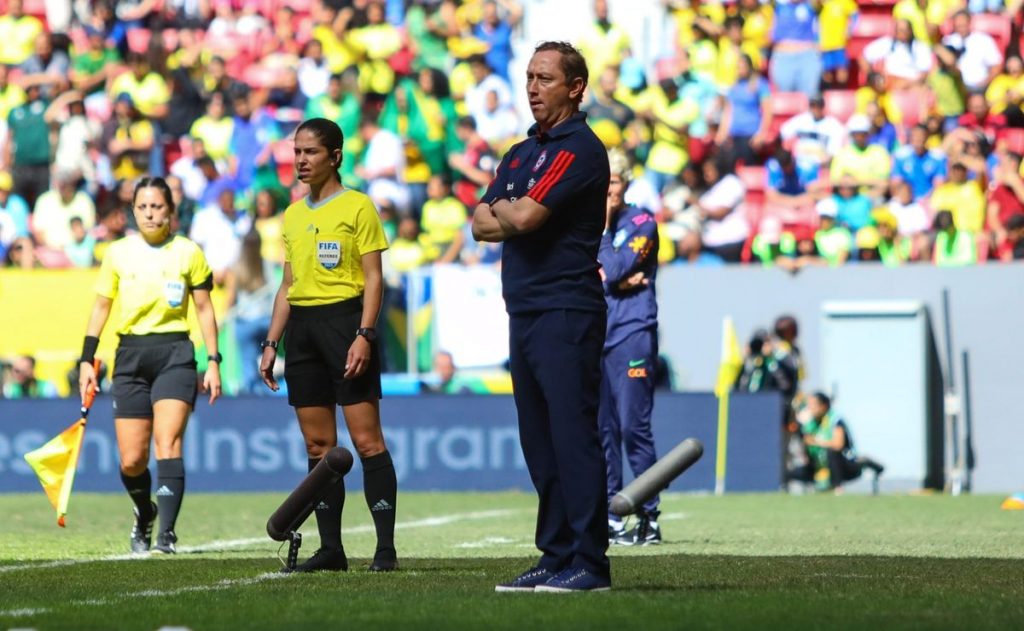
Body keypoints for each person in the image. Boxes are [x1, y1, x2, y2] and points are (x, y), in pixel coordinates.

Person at [472, 41, 611, 593]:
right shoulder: (520, 151)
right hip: (525, 310)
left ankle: (590, 564)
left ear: (575, 88)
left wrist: (510, 210)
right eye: (529, 76)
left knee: (572, 437)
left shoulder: (579, 149)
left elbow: (522, 216)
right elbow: (479, 224)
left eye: (545, 78)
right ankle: (555, 556)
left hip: (566, 309)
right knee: (539, 442)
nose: (532, 87)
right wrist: (511, 211)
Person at [258, 118, 397, 574]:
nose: (300, 160)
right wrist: (272, 342)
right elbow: (287, 285)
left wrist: (364, 334)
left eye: (310, 152)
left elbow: (374, 277)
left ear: (335, 157)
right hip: (303, 331)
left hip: (345, 324)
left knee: (366, 441)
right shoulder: (292, 215)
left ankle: (384, 550)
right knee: (319, 447)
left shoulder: (358, 207)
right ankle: (332, 549)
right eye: (297, 151)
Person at [78, 176, 222, 555]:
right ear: (132, 211)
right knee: (131, 459)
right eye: (142, 206)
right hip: (129, 357)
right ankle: (146, 512)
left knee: (168, 442)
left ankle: (166, 536)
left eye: (157, 206)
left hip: (175, 353)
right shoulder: (118, 253)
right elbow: (101, 308)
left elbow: (205, 309)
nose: (149, 213)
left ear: (171, 211)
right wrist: (86, 360)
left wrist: (213, 361)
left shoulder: (189, 252)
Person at [599, 149, 661, 547]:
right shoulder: (582, 225)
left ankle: (649, 516)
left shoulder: (643, 221)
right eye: (602, 183)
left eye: (614, 182)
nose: (608, 190)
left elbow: (615, 269)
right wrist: (613, 276)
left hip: (633, 331)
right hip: (597, 335)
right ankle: (611, 516)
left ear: (626, 184)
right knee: (602, 431)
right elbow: (602, 275)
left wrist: (611, 269)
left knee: (631, 427)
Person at [788, 392, 885, 492]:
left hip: (845, 465)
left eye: (813, 405)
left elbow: (838, 445)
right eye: (809, 405)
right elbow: (806, 446)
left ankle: (838, 488)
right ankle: (785, 492)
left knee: (832, 452)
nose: (810, 408)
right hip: (820, 467)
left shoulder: (835, 420)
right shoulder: (809, 425)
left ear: (823, 406)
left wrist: (816, 442)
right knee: (791, 473)